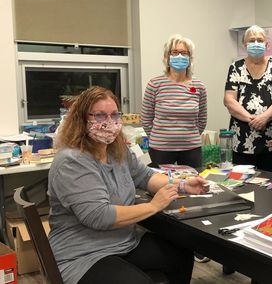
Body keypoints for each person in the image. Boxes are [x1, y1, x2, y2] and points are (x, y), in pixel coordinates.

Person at [48, 86, 210, 284]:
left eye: (114, 115)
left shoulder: (116, 151)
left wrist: (183, 185)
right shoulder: (72, 161)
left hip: (123, 243)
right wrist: (153, 206)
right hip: (83, 255)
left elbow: (145, 176)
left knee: (180, 253)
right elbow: (99, 216)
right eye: (99, 116)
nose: (109, 122)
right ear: (82, 120)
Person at [223, 25, 272, 173]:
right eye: (251, 40)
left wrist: (265, 117)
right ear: (244, 44)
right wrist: (252, 119)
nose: (255, 43)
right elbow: (229, 100)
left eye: (259, 40)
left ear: (266, 44)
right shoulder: (236, 67)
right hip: (242, 139)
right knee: (242, 184)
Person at [142, 34, 207, 169]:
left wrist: (186, 138)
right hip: (160, 149)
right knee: (161, 186)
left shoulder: (199, 86)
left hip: (191, 148)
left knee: (194, 187)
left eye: (184, 53)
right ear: (167, 57)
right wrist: (162, 138)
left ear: (190, 58)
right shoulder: (155, 84)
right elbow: (146, 119)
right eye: (175, 52)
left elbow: (202, 120)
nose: (179, 56)